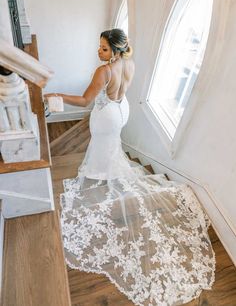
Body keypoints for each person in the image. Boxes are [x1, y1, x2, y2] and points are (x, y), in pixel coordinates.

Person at [45, 29, 215, 306]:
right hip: (121, 110)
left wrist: (56, 95)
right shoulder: (130, 63)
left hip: (107, 115)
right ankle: (106, 170)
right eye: (99, 47)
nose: (98, 52)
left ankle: (101, 174)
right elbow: (117, 91)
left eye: (102, 48)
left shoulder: (104, 71)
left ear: (114, 50)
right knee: (111, 147)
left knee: (103, 146)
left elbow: (86, 101)